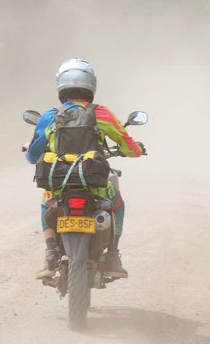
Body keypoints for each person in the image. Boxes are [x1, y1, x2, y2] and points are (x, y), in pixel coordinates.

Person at [24, 58, 143, 280]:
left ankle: (51, 253)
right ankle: (113, 255)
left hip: (59, 183)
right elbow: (130, 147)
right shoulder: (103, 114)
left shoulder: (51, 116)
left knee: (46, 202)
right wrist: (136, 150)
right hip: (95, 182)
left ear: (61, 85)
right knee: (117, 204)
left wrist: (29, 149)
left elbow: (32, 155)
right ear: (91, 85)